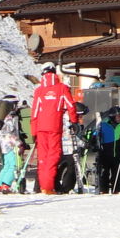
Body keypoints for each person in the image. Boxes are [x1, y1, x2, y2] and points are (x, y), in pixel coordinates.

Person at [31, 65, 76, 194]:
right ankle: (48, 187)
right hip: (54, 127)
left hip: (40, 128)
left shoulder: (39, 91)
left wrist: (33, 131)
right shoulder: (62, 88)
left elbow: (34, 112)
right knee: (53, 156)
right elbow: (70, 105)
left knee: (42, 157)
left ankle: (43, 186)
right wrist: (74, 121)